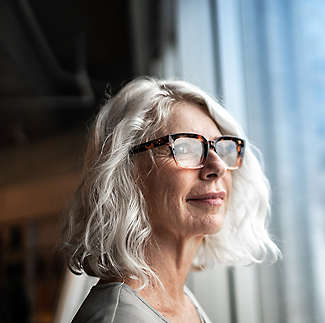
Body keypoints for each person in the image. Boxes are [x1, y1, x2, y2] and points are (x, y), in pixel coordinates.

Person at [62, 77, 280, 323]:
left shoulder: (177, 300)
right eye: (186, 148)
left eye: (221, 148)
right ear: (127, 172)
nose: (217, 166)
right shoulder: (119, 319)